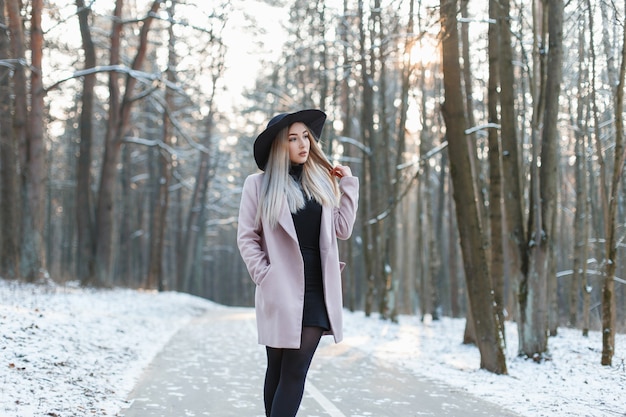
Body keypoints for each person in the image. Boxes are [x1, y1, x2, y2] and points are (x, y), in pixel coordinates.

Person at [237, 109, 359, 417]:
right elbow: (247, 238)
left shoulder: (320, 182)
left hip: (318, 291)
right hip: (280, 290)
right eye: (293, 138)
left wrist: (348, 186)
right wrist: (265, 275)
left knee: (294, 372)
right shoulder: (258, 185)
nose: (303, 144)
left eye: (306, 136)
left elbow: (342, 229)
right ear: (280, 145)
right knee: (276, 369)